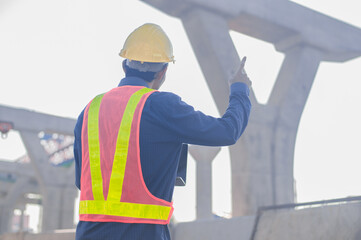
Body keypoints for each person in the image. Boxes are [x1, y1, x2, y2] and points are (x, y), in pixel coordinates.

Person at [74, 23, 252, 240]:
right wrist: (240, 90)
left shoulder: (89, 110)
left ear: (124, 66)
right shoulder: (161, 106)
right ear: (163, 72)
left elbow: (82, 182)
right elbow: (227, 131)